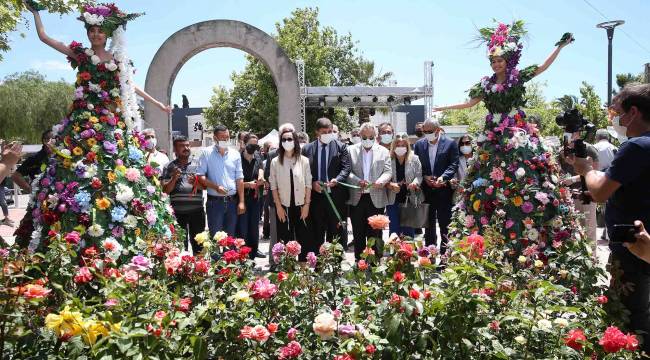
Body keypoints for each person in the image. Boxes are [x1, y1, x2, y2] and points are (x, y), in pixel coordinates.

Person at [16, 4, 176, 253]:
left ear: (108, 34)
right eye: (92, 30)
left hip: (110, 124)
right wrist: (36, 14)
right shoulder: (81, 55)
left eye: (100, 31)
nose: (96, 34)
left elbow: (130, 86)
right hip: (80, 122)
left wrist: (157, 104)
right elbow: (45, 38)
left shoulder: (118, 61)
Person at [570, 83, 650, 352]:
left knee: (631, 318)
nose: (614, 118)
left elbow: (601, 189)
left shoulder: (635, 147)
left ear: (634, 113)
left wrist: (586, 170)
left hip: (633, 245)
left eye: (616, 112)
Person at [302, 117, 351, 249]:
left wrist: (338, 179)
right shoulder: (307, 149)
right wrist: (312, 183)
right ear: (317, 132)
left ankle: (336, 264)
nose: (328, 134)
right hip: (316, 198)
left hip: (336, 197)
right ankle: (318, 264)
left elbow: (346, 168)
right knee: (317, 232)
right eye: (324, 132)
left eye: (330, 131)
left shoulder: (341, 147)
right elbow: (303, 172)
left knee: (336, 233)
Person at [347, 122, 392, 260]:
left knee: (375, 233)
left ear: (375, 136)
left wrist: (381, 181)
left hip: (376, 198)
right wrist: (357, 181)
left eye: (371, 136)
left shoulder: (383, 151)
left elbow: (388, 171)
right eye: (364, 137)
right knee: (358, 232)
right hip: (357, 197)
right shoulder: (350, 150)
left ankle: (375, 262)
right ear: (360, 136)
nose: (367, 139)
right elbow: (347, 171)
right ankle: (359, 262)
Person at [413, 119, 459, 254]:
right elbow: (416, 165)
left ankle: (445, 256)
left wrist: (443, 177)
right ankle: (429, 254)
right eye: (424, 131)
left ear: (438, 130)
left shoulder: (450, 143)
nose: (426, 134)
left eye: (429, 131)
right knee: (429, 226)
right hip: (426, 191)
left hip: (444, 191)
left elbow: (453, 164)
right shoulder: (419, 145)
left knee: (445, 225)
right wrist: (425, 176)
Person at [269, 127, 313, 261]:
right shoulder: (275, 161)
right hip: (284, 206)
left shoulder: (304, 160)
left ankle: (303, 269)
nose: (287, 141)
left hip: (301, 206)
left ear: (295, 141)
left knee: (304, 238)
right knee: (285, 239)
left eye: (290, 139)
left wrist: (306, 205)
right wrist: (278, 207)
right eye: (284, 139)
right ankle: (287, 269)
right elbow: (273, 186)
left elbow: (308, 184)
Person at [197, 125, 245, 237]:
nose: (225, 140)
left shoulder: (235, 154)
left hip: (232, 202)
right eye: (222, 138)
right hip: (215, 203)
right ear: (215, 138)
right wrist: (216, 187)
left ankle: (229, 255)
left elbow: (239, 178)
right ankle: (216, 255)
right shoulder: (206, 153)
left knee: (231, 237)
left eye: (227, 137)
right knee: (215, 238)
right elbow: (200, 176)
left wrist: (242, 201)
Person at [161, 136, 205, 253]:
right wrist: (174, 179)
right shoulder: (169, 166)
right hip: (177, 213)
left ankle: (199, 269)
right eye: (182, 146)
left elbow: (205, 186)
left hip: (197, 211)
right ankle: (183, 269)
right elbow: (165, 190)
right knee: (180, 245)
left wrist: (196, 183)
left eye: (187, 145)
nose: (186, 148)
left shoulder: (198, 164)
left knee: (199, 245)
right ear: (175, 149)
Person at [385, 132, 423, 237]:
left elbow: (419, 175)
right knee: (394, 229)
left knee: (408, 230)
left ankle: (408, 252)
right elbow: (383, 176)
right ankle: (394, 251)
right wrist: (391, 184)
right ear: (394, 146)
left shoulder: (414, 158)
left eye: (403, 145)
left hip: (409, 198)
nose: (400, 147)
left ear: (407, 146)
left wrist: (415, 183)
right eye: (398, 145)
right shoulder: (388, 158)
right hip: (393, 198)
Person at [237, 133, 266, 259]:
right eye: (251, 145)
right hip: (241, 198)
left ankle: (253, 255)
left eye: (256, 145)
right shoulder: (237, 158)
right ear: (244, 143)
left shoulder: (258, 156)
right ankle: (242, 256)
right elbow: (234, 181)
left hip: (255, 199)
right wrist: (247, 185)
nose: (253, 148)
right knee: (242, 227)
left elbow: (260, 169)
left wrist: (261, 177)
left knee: (254, 227)